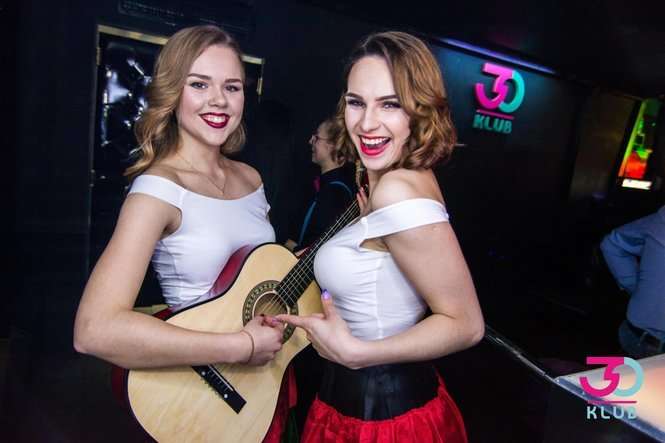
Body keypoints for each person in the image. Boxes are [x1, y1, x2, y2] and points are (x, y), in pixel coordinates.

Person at [73, 25, 288, 441]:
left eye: (232, 87)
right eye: (199, 84)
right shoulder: (158, 189)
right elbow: (93, 329)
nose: (219, 100)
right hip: (204, 390)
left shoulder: (251, 178)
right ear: (173, 93)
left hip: (262, 386)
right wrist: (241, 346)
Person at [277, 31, 484, 443]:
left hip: (381, 422)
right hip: (366, 405)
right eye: (356, 102)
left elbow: (467, 324)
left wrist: (359, 353)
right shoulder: (403, 180)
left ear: (419, 110)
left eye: (390, 104)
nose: (367, 123)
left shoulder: (396, 189)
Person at [600, 206, 665, 358]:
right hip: (644, 342)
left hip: (642, 338)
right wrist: (641, 291)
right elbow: (613, 244)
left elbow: (613, 243)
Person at [286, 117, 356, 251]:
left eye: (316, 138)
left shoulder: (335, 194)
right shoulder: (323, 186)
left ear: (334, 145)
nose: (310, 141)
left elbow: (315, 248)